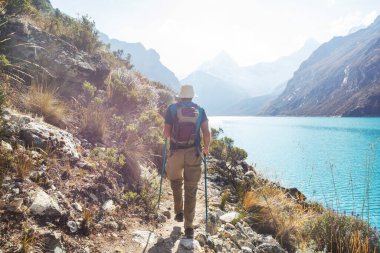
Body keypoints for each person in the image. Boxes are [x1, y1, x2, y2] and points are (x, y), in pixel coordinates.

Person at [163, 84, 211, 239]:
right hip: (193, 153)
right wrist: (206, 148)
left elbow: (166, 133)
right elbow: (207, 133)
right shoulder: (201, 110)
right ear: (192, 96)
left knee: (176, 183)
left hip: (175, 152)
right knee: (191, 189)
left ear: (180, 96)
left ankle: (178, 212)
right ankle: (189, 227)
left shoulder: (171, 109)